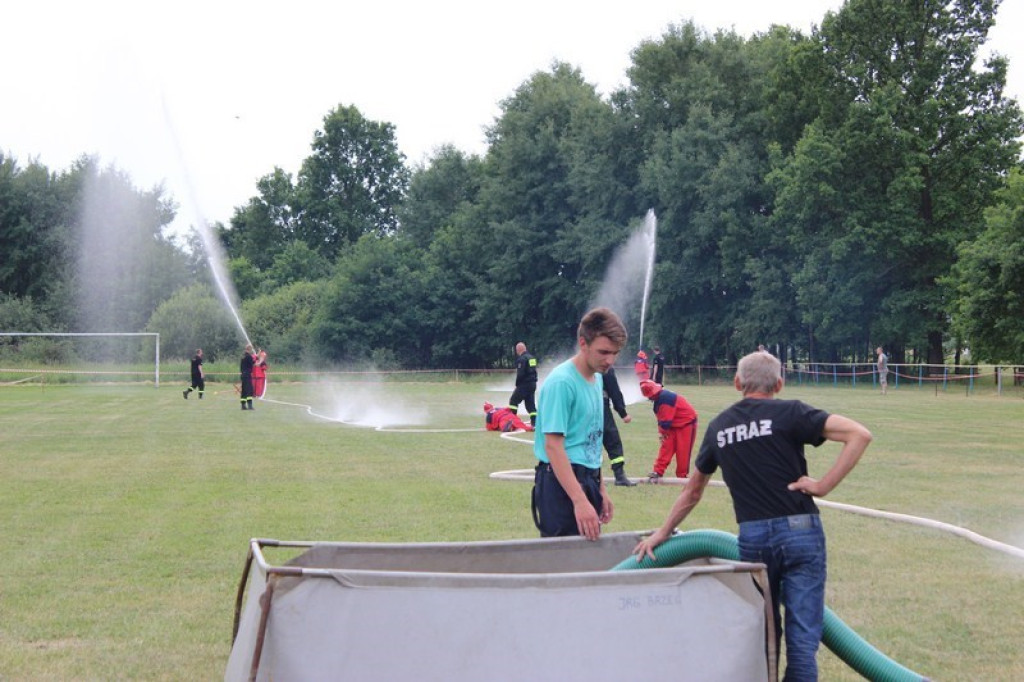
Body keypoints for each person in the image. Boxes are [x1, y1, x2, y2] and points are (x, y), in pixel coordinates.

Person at [634, 351, 872, 681]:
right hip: (800, 531)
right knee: (803, 645)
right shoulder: (791, 412)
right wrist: (822, 486)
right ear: (779, 383)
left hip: (754, 539)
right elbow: (859, 434)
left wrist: (662, 533)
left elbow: (693, 491)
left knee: (766, 640)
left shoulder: (720, 427)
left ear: (737, 383)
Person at [532, 307, 627, 540]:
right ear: (583, 343)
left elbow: (591, 441)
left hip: (588, 479)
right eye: (604, 352)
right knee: (564, 564)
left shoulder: (597, 379)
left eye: (615, 353)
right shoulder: (562, 382)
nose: (610, 360)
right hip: (561, 484)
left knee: (588, 561)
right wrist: (579, 500)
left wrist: (601, 488)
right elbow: (553, 446)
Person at [639, 379, 698, 481]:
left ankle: (682, 476)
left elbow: (665, 422)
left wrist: (662, 433)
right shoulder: (659, 399)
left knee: (683, 451)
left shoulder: (666, 399)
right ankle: (657, 471)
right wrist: (662, 432)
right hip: (672, 424)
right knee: (666, 448)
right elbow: (662, 420)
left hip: (686, 423)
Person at [602, 366, 636, 486]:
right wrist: (623, 413)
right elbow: (614, 391)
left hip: (579, 410)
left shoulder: (580, 366)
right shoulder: (605, 368)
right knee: (612, 440)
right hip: (600, 408)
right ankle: (619, 475)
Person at [508, 342, 538, 427]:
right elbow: (534, 371)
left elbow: (520, 374)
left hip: (524, 384)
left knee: (513, 401)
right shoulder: (532, 358)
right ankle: (535, 423)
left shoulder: (521, 359)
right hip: (533, 384)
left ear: (518, 350)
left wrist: (517, 385)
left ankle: (512, 421)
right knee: (530, 405)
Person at [239, 344, 255, 411]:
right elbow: (253, 364)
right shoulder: (249, 357)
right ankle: (250, 406)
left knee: (244, 390)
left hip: (243, 375)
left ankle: (243, 406)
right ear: (250, 349)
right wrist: (259, 360)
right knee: (249, 390)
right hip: (247, 375)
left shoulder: (243, 356)